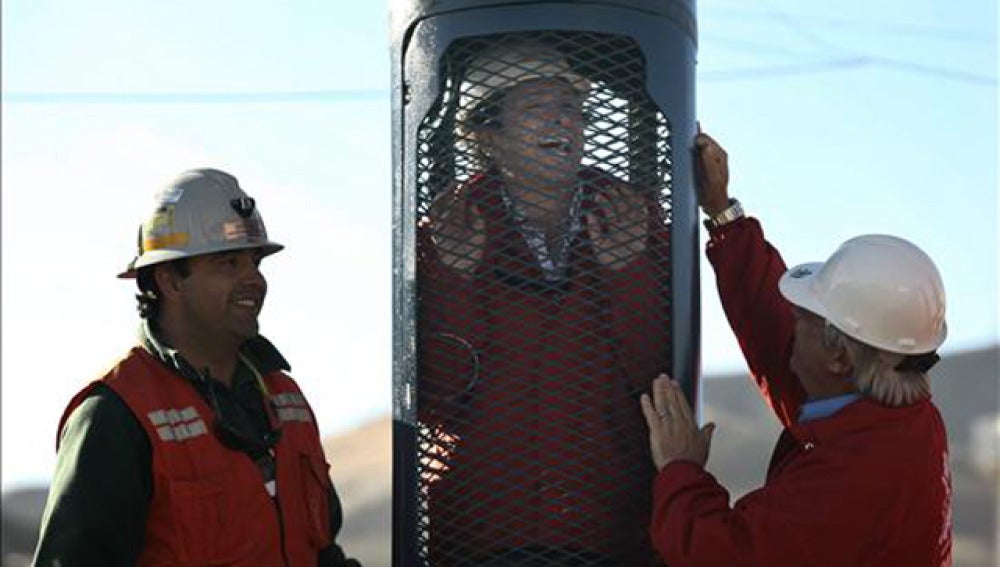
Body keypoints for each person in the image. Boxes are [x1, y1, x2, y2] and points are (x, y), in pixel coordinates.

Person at [639, 130, 952, 565]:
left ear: (838, 355)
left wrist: (681, 470)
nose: (791, 319)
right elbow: (775, 334)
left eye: (804, 317)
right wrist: (724, 215)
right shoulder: (891, 416)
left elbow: (723, 554)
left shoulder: (853, 476)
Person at [417, 40, 670, 566]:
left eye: (571, 107)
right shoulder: (446, 229)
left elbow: (659, 384)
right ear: (488, 137)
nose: (562, 121)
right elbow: (436, 398)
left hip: (609, 537)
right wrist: (457, 278)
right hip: (481, 538)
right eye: (535, 108)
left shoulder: (634, 219)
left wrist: (626, 271)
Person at [32, 169, 362, 566]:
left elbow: (322, 551)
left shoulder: (284, 396)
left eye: (255, 262)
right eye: (229, 264)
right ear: (170, 280)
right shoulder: (116, 414)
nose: (253, 280)